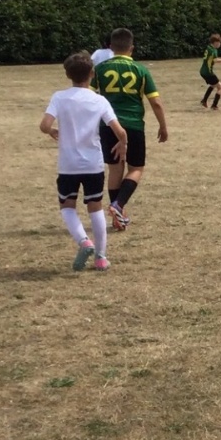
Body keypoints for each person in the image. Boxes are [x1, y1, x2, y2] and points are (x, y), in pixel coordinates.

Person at [40, 51, 127, 272]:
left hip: (68, 165)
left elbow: (44, 125)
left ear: (67, 74)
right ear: (92, 74)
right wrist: (122, 144)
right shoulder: (99, 100)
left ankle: (84, 241)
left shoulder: (59, 97)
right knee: (95, 208)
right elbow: (120, 131)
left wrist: (52, 131)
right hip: (93, 164)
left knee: (67, 206)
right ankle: (101, 257)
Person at [92, 28, 168, 230]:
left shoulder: (100, 69)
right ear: (131, 48)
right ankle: (118, 205)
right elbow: (156, 102)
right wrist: (163, 126)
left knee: (115, 169)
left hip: (109, 125)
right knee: (136, 169)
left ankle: (117, 217)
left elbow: (88, 96)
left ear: (111, 47)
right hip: (133, 125)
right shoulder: (140, 70)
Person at [199, 31, 221, 109]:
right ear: (215, 43)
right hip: (208, 73)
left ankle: (204, 100)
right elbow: (216, 60)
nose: (220, 44)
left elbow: (217, 41)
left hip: (202, 71)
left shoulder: (209, 47)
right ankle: (214, 105)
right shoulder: (213, 51)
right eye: (219, 43)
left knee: (213, 85)